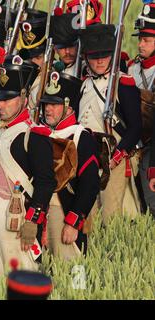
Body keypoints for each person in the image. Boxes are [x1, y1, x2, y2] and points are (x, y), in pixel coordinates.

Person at [0, 55, 56, 276]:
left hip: (17, 217)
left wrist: (33, 219)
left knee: (23, 273)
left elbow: (45, 182)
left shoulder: (34, 135)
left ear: (22, 97)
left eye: (7, 99)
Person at [78, 24, 142, 224]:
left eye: (104, 55)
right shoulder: (84, 84)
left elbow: (135, 128)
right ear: (86, 57)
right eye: (94, 56)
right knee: (89, 214)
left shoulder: (123, 83)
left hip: (114, 157)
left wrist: (116, 157)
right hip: (88, 158)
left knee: (111, 214)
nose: (99, 61)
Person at [40, 71, 100, 259]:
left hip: (66, 213)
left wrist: (73, 222)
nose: (48, 109)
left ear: (68, 107)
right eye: (46, 104)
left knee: (75, 274)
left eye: (55, 104)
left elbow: (90, 184)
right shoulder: (41, 135)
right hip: (42, 215)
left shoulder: (81, 137)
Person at [129, 2, 155, 217]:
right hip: (134, 143)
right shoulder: (132, 68)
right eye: (140, 39)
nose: (140, 44)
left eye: (146, 40)